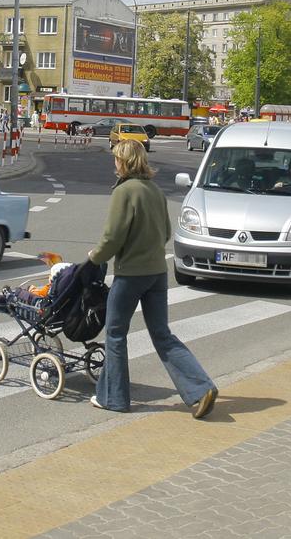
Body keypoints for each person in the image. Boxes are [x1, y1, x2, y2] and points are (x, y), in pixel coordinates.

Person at [87, 140, 217, 418]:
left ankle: (115, 399)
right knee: (162, 334)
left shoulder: (125, 192)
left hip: (131, 274)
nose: (114, 164)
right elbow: (166, 231)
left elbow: (112, 237)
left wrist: (93, 258)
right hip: (157, 273)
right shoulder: (154, 190)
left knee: (115, 333)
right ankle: (201, 388)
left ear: (123, 162)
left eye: (116, 159)